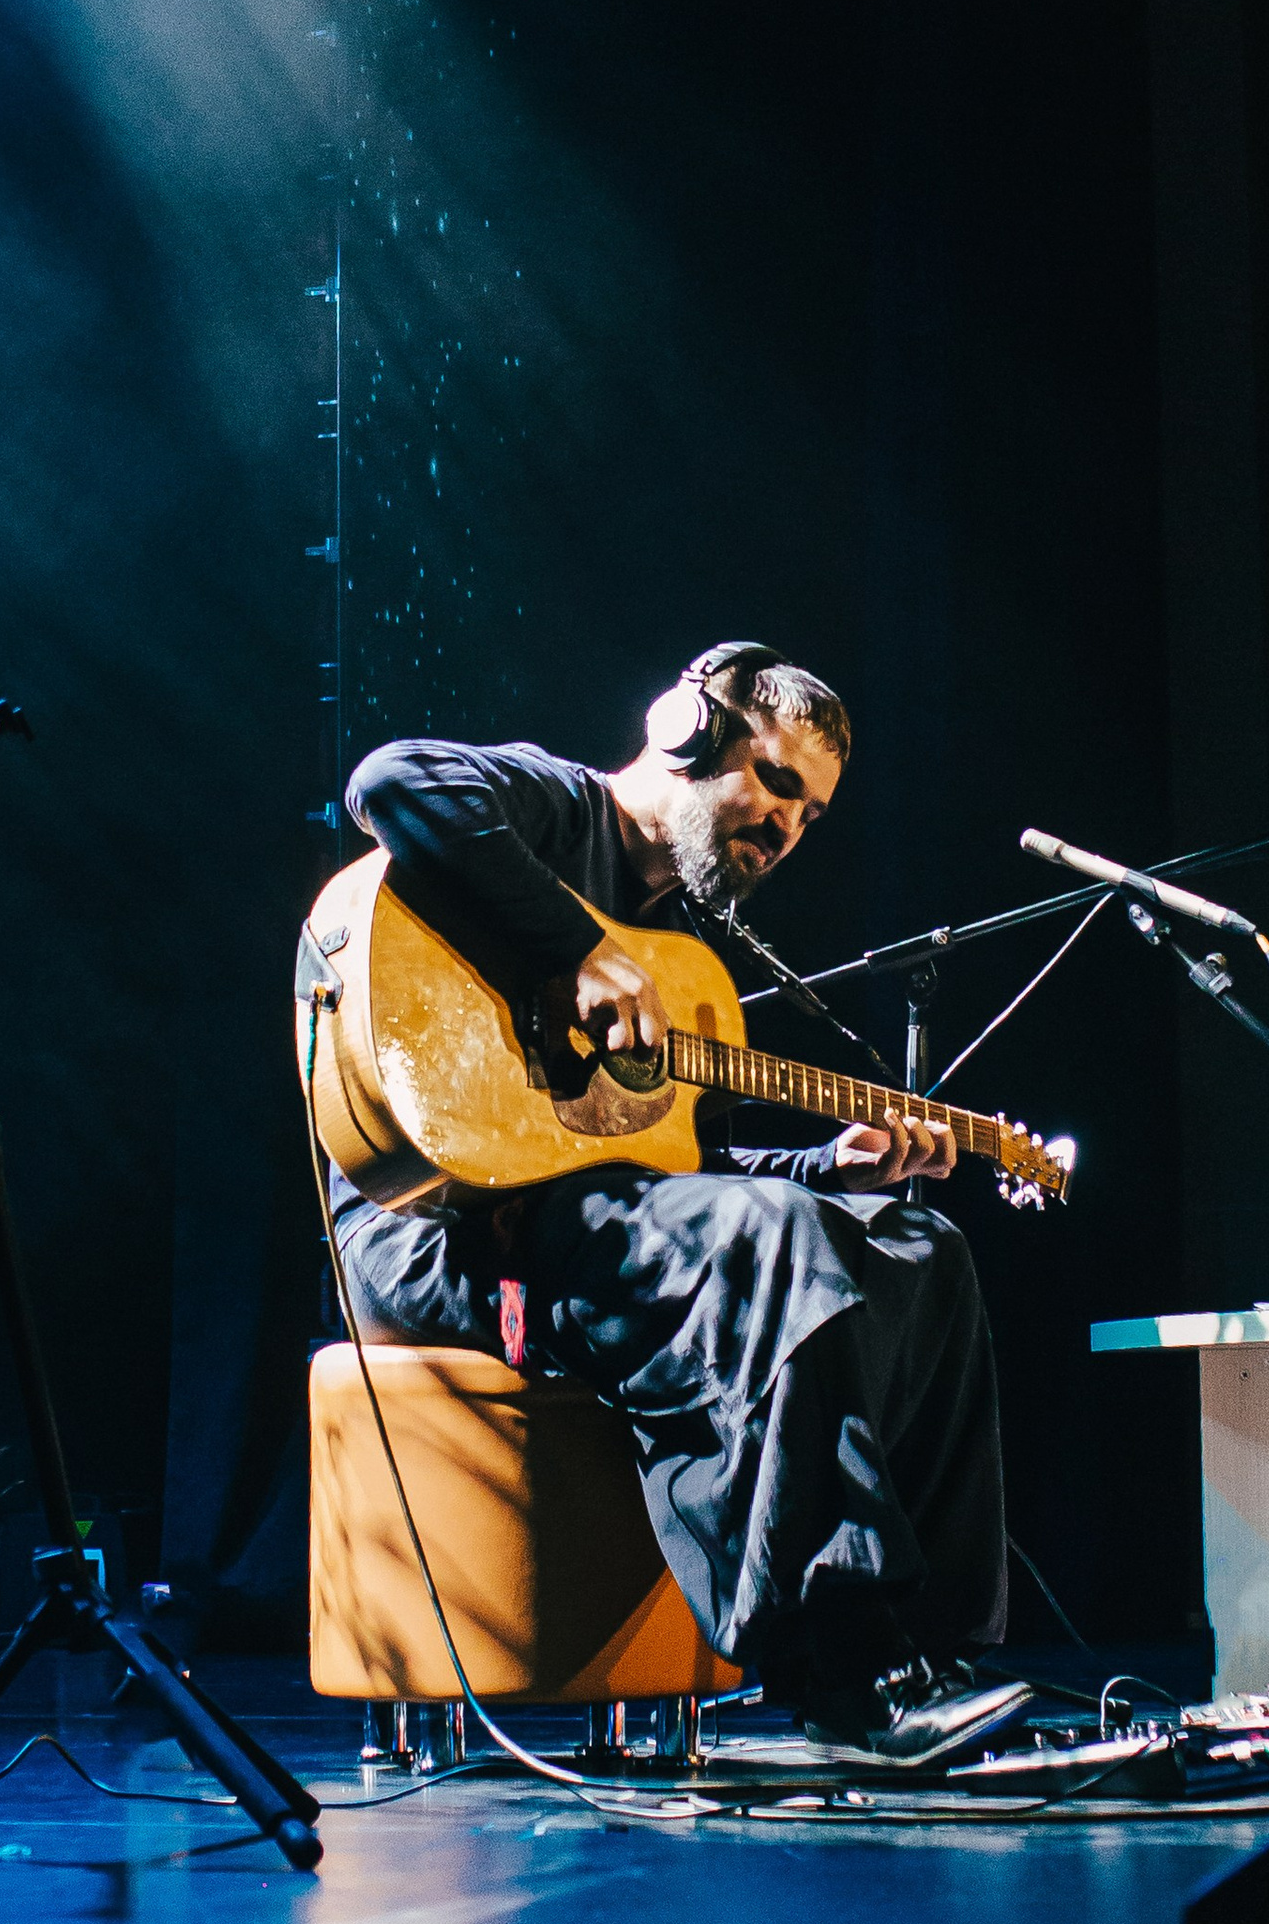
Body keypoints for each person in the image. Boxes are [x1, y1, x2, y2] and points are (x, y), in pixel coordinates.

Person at [328, 642, 1011, 1745]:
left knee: (916, 1246)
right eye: (776, 782)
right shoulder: (556, 810)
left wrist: (821, 1170)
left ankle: (935, 1652)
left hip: (591, 1223)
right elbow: (390, 780)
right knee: (774, 1239)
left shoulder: (681, 956)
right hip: (439, 1230)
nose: (786, 826)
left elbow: (684, 1187)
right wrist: (574, 949)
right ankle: (843, 1674)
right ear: (684, 730)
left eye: (811, 814)